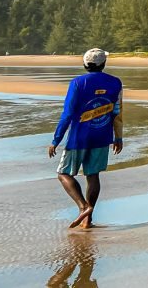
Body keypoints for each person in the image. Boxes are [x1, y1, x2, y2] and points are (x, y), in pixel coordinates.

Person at [47, 48, 124, 230]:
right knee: (93, 175)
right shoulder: (115, 83)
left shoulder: (77, 83)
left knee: (63, 173)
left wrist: (56, 140)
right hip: (102, 136)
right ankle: (87, 220)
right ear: (103, 64)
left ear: (84, 64)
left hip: (78, 138)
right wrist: (118, 137)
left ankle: (84, 207)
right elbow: (117, 111)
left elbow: (67, 114)